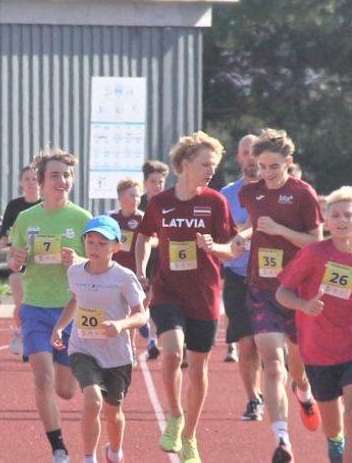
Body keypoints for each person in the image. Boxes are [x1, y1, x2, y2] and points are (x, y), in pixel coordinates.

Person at [135, 133, 239, 463]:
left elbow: (233, 249)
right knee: (171, 352)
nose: (211, 171)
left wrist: (215, 248)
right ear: (185, 164)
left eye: (215, 165)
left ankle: (190, 434)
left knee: (198, 370)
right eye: (205, 164)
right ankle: (175, 414)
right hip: (167, 291)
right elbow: (143, 236)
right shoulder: (160, 202)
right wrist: (139, 270)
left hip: (205, 295)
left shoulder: (215, 202)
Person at [277, 187, 352, 463]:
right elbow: (282, 293)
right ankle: (335, 441)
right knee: (334, 426)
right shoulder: (313, 254)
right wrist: (304, 305)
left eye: (348, 214)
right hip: (318, 347)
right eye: (335, 215)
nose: (341, 220)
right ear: (326, 222)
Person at [242, 128, 324, 463]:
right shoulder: (250, 194)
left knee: (296, 367)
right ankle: (282, 441)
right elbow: (253, 226)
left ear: (288, 163)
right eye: (262, 166)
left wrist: (281, 231)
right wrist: (240, 238)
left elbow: (317, 242)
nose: (267, 173)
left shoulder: (303, 194)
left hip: (298, 290)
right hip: (262, 288)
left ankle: (303, 392)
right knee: (272, 363)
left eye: (274, 166)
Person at [7, 149, 94, 463]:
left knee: (67, 390)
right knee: (41, 376)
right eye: (55, 175)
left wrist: (81, 260)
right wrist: (15, 259)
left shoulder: (82, 219)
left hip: (71, 311)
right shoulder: (26, 219)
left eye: (66, 175)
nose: (62, 180)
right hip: (35, 307)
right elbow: (14, 257)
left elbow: (101, 262)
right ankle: (59, 448)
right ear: (41, 182)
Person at [51, 215, 148, 463]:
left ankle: (114, 451)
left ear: (116, 247)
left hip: (117, 355)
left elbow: (141, 316)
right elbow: (75, 301)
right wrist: (60, 327)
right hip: (83, 348)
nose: (94, 247)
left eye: (102, 243)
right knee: (92, 399)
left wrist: (121, 324)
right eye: (90, 241)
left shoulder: (124, 277)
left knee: (113, 412)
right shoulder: (75, 273)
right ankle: (88, 458)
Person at [221, 134, 265, 420]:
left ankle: (282, 387)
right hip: (237, 275)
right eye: (245, 152)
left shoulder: (275, 191)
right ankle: (253, 398)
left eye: (255, 152)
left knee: (264, 341)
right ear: (238, 157)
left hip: (268, 277)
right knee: (245, 341)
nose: (250, 157)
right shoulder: (226, 194)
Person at [0, 165, 43, 354]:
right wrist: (3, 239)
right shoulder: (15, 206)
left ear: (40, 181)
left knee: (39, 303)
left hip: (41, 260)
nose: (31, 182)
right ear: (21, 182)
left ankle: (37, 336)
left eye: (34, 178)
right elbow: (5, 227)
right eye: (27, 179)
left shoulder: (47, 205)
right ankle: (20, 332)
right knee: (21, 303)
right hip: (18, 259)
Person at [140, 160, 169, 359]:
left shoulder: (169, 203)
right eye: (153, 182)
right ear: (145, 183)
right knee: (143, 298)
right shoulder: (139, 203)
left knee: (154, 297)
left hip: (164, 256)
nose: (157, 186)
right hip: (143, 255)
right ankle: (143, 325)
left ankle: (152, 340)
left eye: (160, 182)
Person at [108, 177, 145, 280]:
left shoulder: (142, 218)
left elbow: (155, 239)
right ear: (120, 197)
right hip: (112, 271)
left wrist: (147, 240)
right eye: (132, 196)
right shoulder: (110, 217)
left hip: (133, 271)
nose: (136, 200)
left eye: (138, 196)